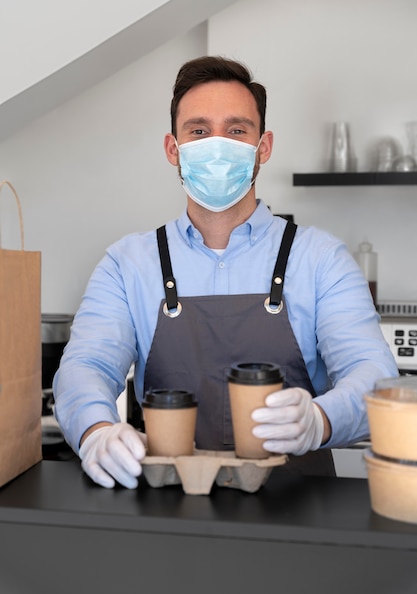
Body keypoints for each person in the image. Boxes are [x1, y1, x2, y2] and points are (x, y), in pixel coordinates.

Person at [53, 55, 398, 489]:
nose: (217, 146)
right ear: (172, 148)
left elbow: (376, 377)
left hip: (300, 521)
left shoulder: (321, 258)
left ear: (264, 146)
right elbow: (84, 366)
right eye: (199, 131)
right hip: (169, 515)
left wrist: (320, 420)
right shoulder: (127, 264)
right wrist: (95, 432)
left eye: (236, 130)